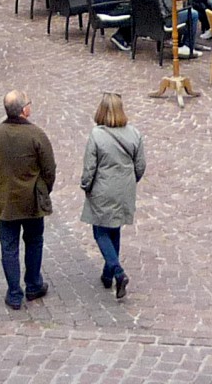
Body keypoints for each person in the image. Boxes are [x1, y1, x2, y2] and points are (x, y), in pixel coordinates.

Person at [0, 90, 55, 310]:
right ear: (24, 110)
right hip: (31, 200)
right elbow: (49, 169)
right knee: (34, 241)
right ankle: (33, 284)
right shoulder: (37, 135)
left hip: (5, 201)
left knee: (9, 247)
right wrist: (44, 190)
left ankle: (14, 293)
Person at [79, 93, 146, 303]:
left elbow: (90, 167)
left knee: (100, 231)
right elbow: (140, 165)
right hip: (124, 189)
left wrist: (85, 185)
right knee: (114, 229)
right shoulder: (134, 134)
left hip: (102, 188)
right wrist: (129, 181)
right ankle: (107, 276)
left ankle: (117, 271)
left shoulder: (97, 135)